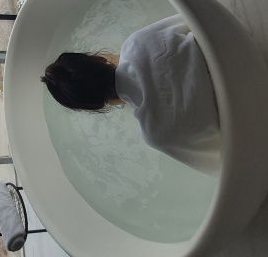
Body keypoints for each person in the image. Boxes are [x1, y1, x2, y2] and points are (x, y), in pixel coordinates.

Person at [42, 15, 220, 175]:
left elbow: (217, 161)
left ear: (97, 105)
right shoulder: (137, 42)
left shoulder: (157, 134)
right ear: (100, 58)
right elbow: (197, 16)